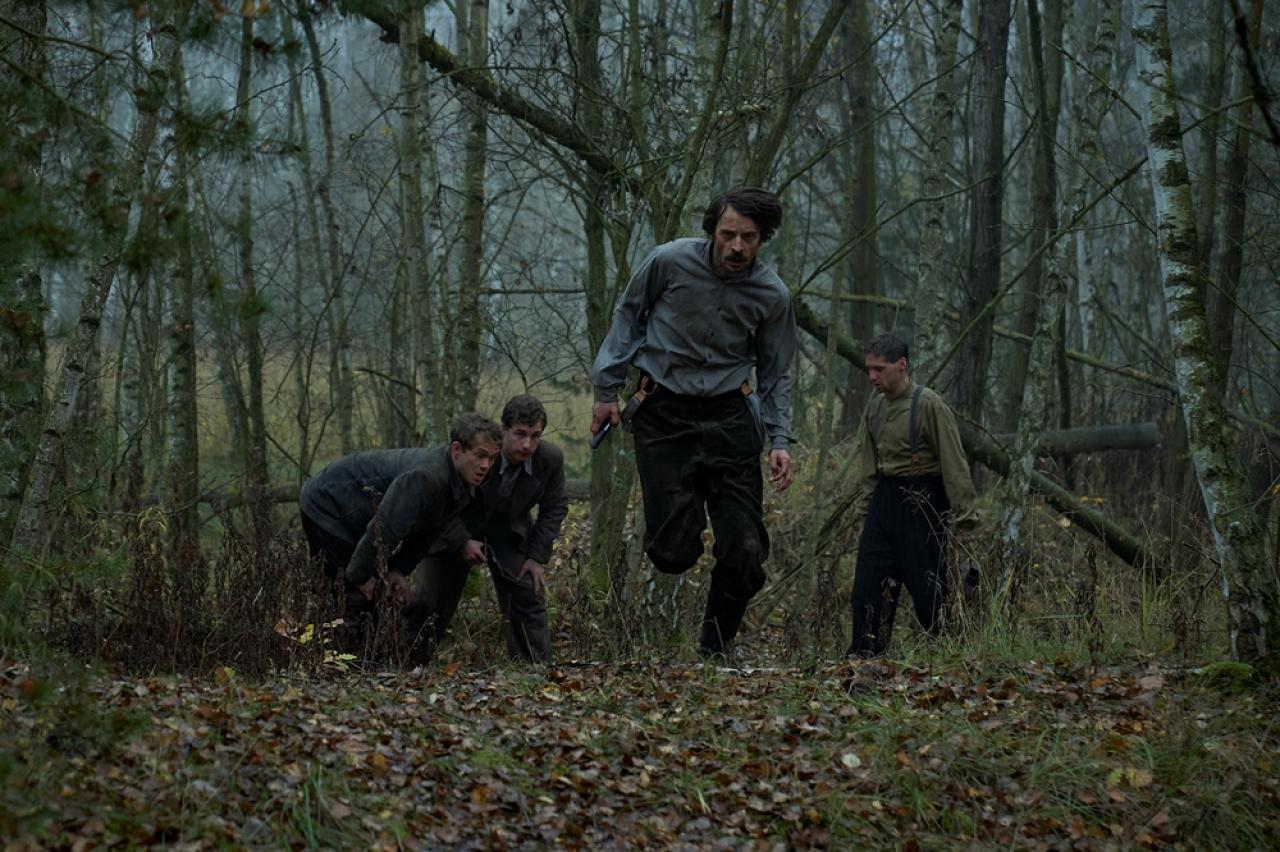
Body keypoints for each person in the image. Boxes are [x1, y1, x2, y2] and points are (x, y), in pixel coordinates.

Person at [588, 186, 798, 659]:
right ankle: (682, 520)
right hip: (664, 412)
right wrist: (606, 391)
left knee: (746, 550)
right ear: (712, 231)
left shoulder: (772, 294)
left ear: (762, 238)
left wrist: (780, 439)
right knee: (673, 552)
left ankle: (714, 652)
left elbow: (777, 371)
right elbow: (628, 316)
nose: (737, 247)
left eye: (748, 237)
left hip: (730, 417)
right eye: (728, 234)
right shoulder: (669, 261)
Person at [298, 413, 502, 654]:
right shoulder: (427, 476)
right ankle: (338, 663)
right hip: (328, 503)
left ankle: (358, 659)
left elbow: (428, 532)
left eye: (492, 458)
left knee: (373, 593)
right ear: (457, 450)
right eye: (479, 455)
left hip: (356, 514)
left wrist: (398, 569)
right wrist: (361, 575)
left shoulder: (460, 480)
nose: (486, 466)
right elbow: (386, 527)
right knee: (353, 595)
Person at [844, 332, 977, 658]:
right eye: (869, 369)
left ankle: (944, 655)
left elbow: (954, 462)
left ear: (901, 365)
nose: (872, 376)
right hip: (884, 501)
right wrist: (865, 510)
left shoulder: (929, 404)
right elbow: (869, 464)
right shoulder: (875, 407)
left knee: (929, 587)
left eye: (879, 369)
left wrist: (964, 517)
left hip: (922, 501)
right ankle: (865, 654)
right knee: (868, 584)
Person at [409, 394, 569, 663]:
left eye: (535, 436)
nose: (527, 444)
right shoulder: (478, 450)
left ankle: (535, 668)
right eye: (520, 434)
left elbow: (555, 506)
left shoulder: (549, 459)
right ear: (504, 430)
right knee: (429, 597)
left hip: (509, 529)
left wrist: (536, 556)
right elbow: (438, 499)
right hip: (454, 521)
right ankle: (407, 661)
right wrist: (461, 540)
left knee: (528, 591)